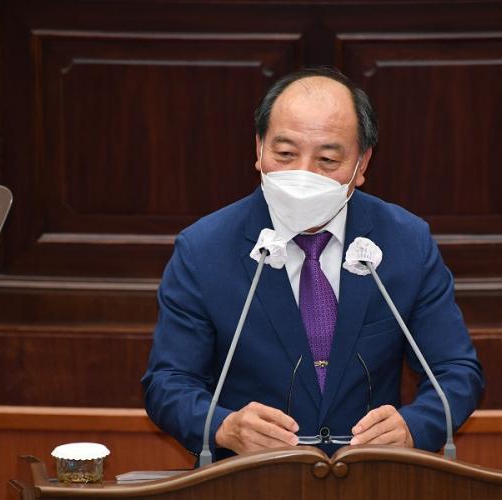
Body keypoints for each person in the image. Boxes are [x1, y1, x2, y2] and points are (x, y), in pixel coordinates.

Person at [141, 67, 484, 462]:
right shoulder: (204, 250)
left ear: (362, 164)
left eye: (327, 159)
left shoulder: (406, 242)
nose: (303, 175)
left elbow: (457, 372)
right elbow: (168, 383)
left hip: (374, 478)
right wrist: (224, 426)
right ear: (259, 149)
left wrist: (413, 427)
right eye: (285, 154)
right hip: (248, 480)